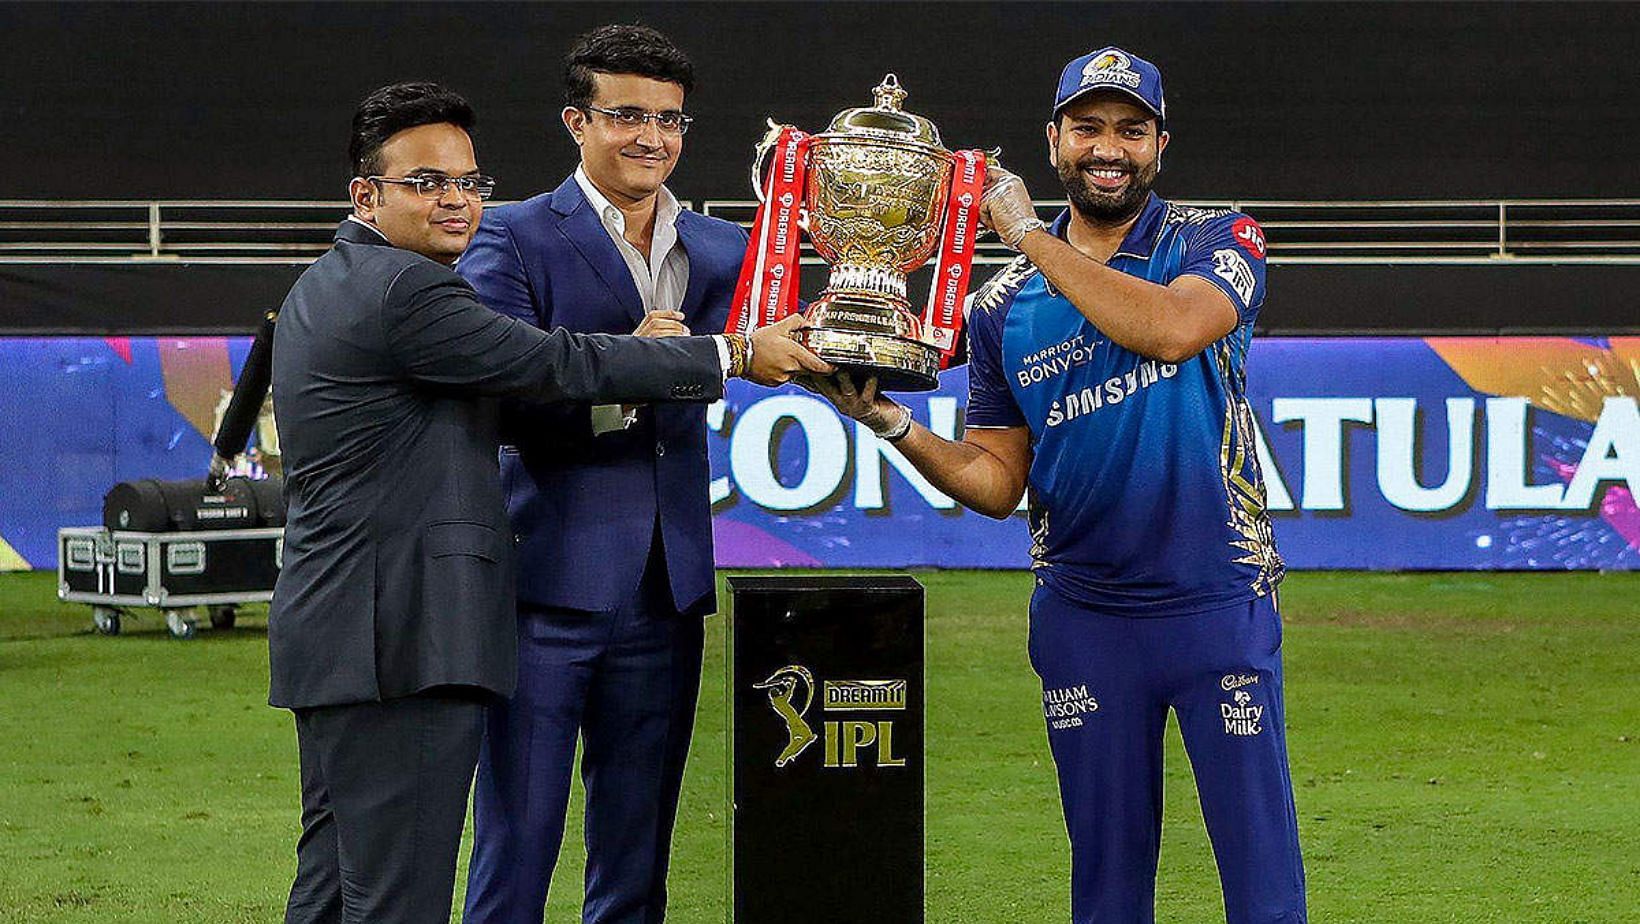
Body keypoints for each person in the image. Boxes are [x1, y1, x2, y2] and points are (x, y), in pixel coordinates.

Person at [269, 81, 825, 924]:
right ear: (366, 195)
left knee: (334, 889)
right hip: (404, 639)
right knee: (396, 900)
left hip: (343, 630)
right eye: (425, 182)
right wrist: (733, 352)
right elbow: (551, 363)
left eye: (467, 182)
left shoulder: (332, 280)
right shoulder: (408, 291)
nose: (455, 201)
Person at [807, 47, 1306, 924]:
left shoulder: (1215, 237)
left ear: (1159, 145)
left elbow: (1172, 330)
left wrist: (1030, 236)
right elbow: (1000, 481)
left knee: (1263, 886)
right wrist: (890, 423)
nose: (1107, 147)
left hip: (1216, 600)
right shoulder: (1001, 309)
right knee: (1106, 888)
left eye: (1130, 129)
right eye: (1088, 127)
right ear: (1054, 141)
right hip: (1085, 617)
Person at [457, 24, 762, 924]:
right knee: (517, 845)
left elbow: (778, 345)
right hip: (545, 582)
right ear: (576, 122)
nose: (650, 138)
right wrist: (636, 369)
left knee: (638, 853)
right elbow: (500, 398)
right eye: (626, 114)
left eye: (669, 119)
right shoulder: (509, 235)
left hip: (668, 590)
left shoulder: (719, 248)